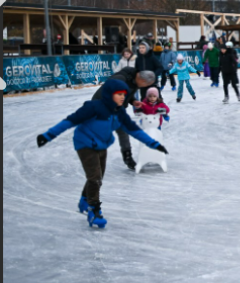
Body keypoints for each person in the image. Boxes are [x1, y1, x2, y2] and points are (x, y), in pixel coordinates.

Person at [36, 79, 168, 228]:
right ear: (109, 94)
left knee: (97, 177)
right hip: (84, 143)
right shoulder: (93, 107)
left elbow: (134, 130)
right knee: (95, 177)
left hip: (101, 145)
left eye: (124, 94)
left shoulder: (119, 112)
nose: (123, 97)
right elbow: (70, 121)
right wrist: (48, 136)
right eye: (119, 94)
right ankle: (94, 211)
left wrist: (154, 144)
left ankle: (84, 199)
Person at [93, 68, 156, 170]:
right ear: (143, 81)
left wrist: (133, 101)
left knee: (123, 132)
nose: (146, 87)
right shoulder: (120, 79)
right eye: (147, 85)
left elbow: (127, 94)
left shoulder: (134, 81)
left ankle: (128, 159)